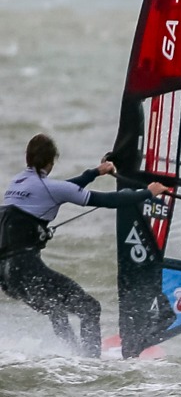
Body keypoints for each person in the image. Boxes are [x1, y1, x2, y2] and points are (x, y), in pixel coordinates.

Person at [1, 134, 167, 356]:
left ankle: (72, 356)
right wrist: (148, 193)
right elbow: (108, 200)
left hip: (6, 275)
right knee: (90, 307)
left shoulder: (18, 182)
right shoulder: (50, 187)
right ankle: (90, 362)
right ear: (51, 161)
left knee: (56, 309)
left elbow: (62, 188)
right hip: (25, 268)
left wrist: (95, 173)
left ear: (28, 158)